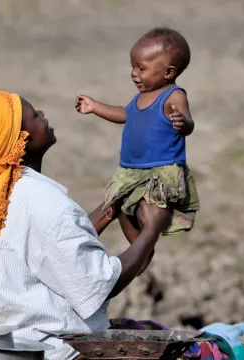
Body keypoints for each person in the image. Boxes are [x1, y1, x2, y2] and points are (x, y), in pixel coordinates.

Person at [0, 88, 171, 360]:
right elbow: (101, 285)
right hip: (51, 351)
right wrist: (151, 230)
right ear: (21, 138)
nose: (43, 115)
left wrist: (108, 210)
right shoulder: (45, 202)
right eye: (34, 115)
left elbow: (52, 247)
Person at [75, 27, 200, 275]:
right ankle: (131, 255)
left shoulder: (173, 95)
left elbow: (189, 122)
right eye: (132, 66)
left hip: (159, 174)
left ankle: (139, 251)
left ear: (168, 72)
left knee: (146, 220)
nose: (133, 73)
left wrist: (182, 123)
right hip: (130, 173)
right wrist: (95, 106)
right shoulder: (139, 98)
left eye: (141, 68)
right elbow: (125, 114)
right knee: (118, 213)